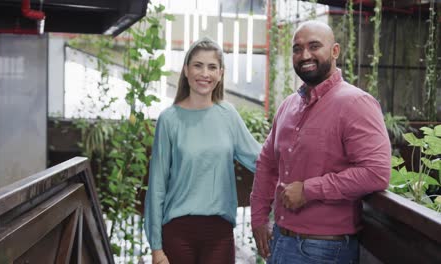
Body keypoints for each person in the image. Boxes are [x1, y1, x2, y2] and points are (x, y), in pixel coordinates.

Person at [250, 20, 391, 263]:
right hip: (281, 241)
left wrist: (309, 190)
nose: (305, 55)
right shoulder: (288, 105)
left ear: (335, 51)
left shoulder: (356, 104)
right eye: (297, 48)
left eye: (314, 46)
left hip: (324, 250)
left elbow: (376, 172)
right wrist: (259, 219)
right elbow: (267, 163)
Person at [144, 37, 261, 264]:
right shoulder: (169, 119)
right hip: (177, 233)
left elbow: (260, 160)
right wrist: (156, 248)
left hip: (219, 234)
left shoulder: (228, 115)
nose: (204, 73)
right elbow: (157, 186)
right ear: (186, 70)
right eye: (198, 65)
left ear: (220, 73)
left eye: (212, 67)